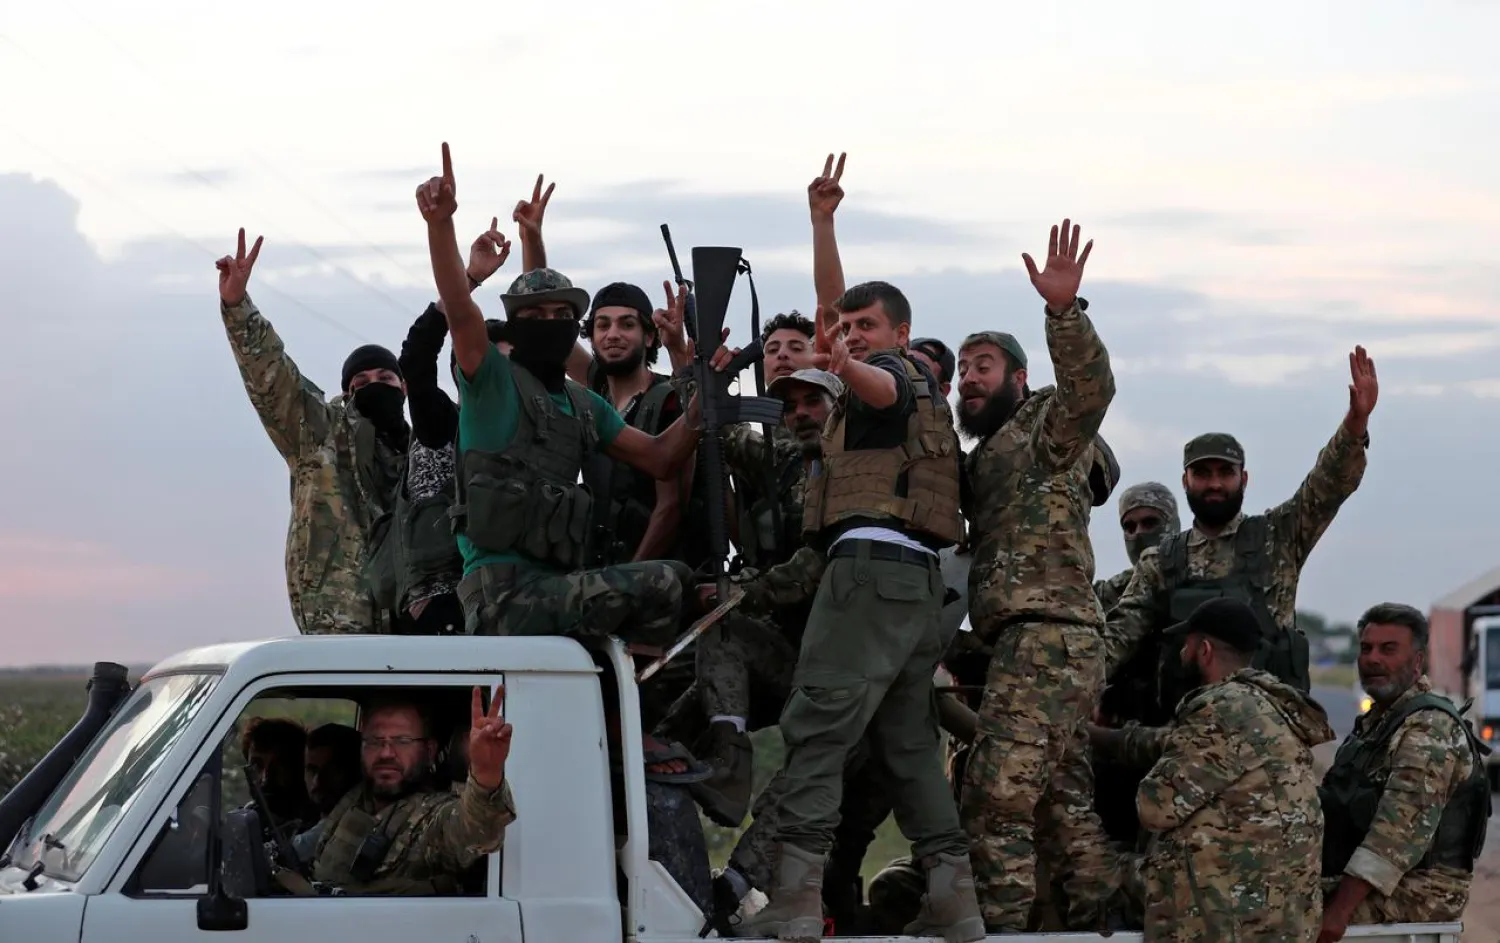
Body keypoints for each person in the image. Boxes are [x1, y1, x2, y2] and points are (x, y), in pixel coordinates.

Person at [739, 155, 978, 943]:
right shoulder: (882, 377)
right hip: (912, 586)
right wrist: (823, 224)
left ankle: (797, 901)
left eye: (868, 326)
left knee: (817, 731)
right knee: (909, 743)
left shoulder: (894, 376)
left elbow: (876, 382)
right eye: (850, 329)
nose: (852, 337)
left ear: (902, 334)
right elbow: (830, 312)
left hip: (868, 576)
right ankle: (954, 899)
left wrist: (849, 361)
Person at [414, 144, 708, 778]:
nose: (549, 323)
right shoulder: (489, 378)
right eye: (534, 316)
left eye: (560, 315)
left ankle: (616, 708)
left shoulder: (581, 403)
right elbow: (460, 310)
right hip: (500, 597)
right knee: (660, 582)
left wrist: (703, 396)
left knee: (677, 579)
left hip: (551, 589)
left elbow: (661, 458)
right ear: (512, 326)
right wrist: (442, 227)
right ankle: (618, 722)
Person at [952, 219, 1122, 932]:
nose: (970, 376)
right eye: (963, 367)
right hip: (1031, 644)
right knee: (1059, 802)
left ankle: (1005, 929)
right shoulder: (982, 456)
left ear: (1018, 378)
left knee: (994, 799)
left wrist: (1062, 312)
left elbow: (1090, 389)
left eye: (984, 363)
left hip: (1048, 636)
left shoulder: (1044, 426)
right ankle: (1106, 919)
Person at [1103, 346, 1379, 725]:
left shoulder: (1277, 537)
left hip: (1271, 738)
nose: (1214, 483)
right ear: (1186, 482)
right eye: (1203, 474)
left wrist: (1355, 424)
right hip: (1189, 740)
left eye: (1225, 472)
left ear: (1243, 479)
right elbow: (1118, 638)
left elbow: (1327, 486)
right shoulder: (1161, 563)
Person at [217, 229, 409, 635]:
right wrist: (237, 306)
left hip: (410, 625)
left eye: (385, 376)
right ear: (347, 390)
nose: (374, 383)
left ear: (404, 387)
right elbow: (274, 378)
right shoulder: (320, 434)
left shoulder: (422, 452)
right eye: (361, 378)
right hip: (341, 618)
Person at [1134, 598, 1333, 941]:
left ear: (1205, 650)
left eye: (1187, 645)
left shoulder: (1221, 709)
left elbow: (1154, 807)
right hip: (1280, 917)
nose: (1182, 654)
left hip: (1232, 924)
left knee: (1098, 869)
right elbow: (1175, 745)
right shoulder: (1263, 704)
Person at [367, 222, 515, 635]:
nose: (499, 377)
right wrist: (466, 281)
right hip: (442, 615)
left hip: (504, 605)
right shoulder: (444, 424)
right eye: (488, 363)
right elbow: (414, 359)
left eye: (509, 367)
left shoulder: (529, 432)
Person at [1317, 603, 1492, 940]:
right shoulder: (1377, 722)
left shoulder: (1429, 729)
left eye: (1388, 649)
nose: (1372, 659)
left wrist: (1338, 912)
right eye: (1366, 648)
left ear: (1417, 662)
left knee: (1280, 910)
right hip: (1382, 881)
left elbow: (1394, 836)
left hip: (1424, 890)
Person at [309, 687, 515, 895]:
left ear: (429, 750)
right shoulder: (355, 797)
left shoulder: (432, 817)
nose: (386, 753)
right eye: (375, 741)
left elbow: (475, 830)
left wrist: (486, 774)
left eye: (402, 741)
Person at [1094, 482, 1180, 612]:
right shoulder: (1110, 593)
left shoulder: (1199, 573)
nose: (1139, 533)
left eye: (1150, 523)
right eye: (1130, 527)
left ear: (1172, 525)